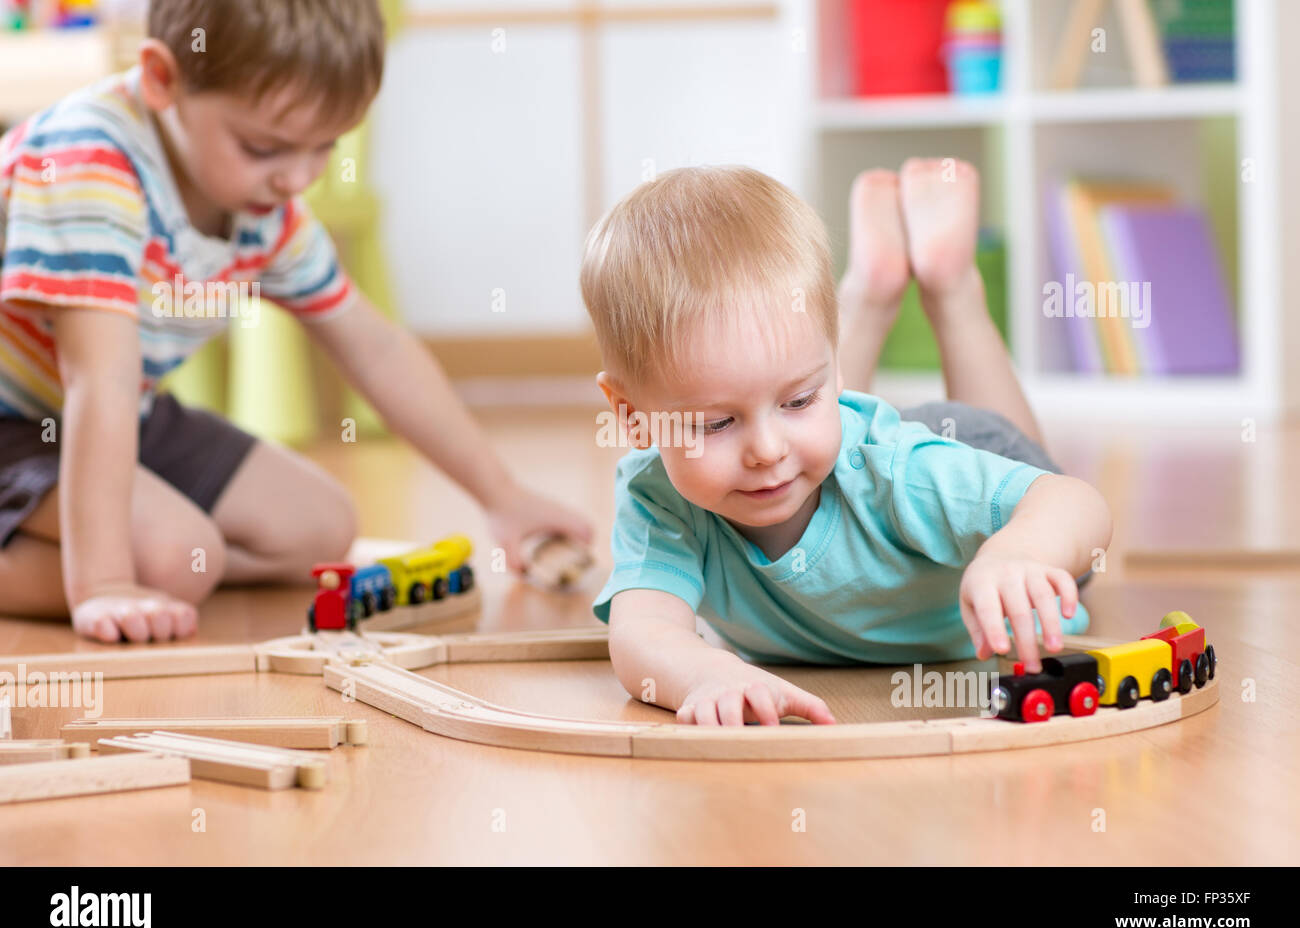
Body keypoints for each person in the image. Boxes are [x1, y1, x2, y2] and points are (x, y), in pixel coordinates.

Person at [0, 0, 591, 642]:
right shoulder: (88, 157)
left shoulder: (263, 204)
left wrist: (503, 497)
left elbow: (377, 350)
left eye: (325, 147)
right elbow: (99, 382)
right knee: (172, 561)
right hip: (28, 414)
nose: (299, 178)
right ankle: (146, 567)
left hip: (108, 410)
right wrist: (106, 584)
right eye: (264, 147)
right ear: (163, 80)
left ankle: (163, 558)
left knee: (318, 526)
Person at [581, 161, 1112, 727]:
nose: (765, 450)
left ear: (834, 374)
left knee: (1035, 518)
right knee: (803, 436)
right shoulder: (658, 497)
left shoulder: (901, 473)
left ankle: (950, 287)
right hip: (853, 458)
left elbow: (1076, 503)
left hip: (951, 459)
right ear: (633, 417)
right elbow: (643, 631)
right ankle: (873, 289)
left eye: (798, 399)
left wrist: (1019, 554)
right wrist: (705, 671)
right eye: (716, 424)